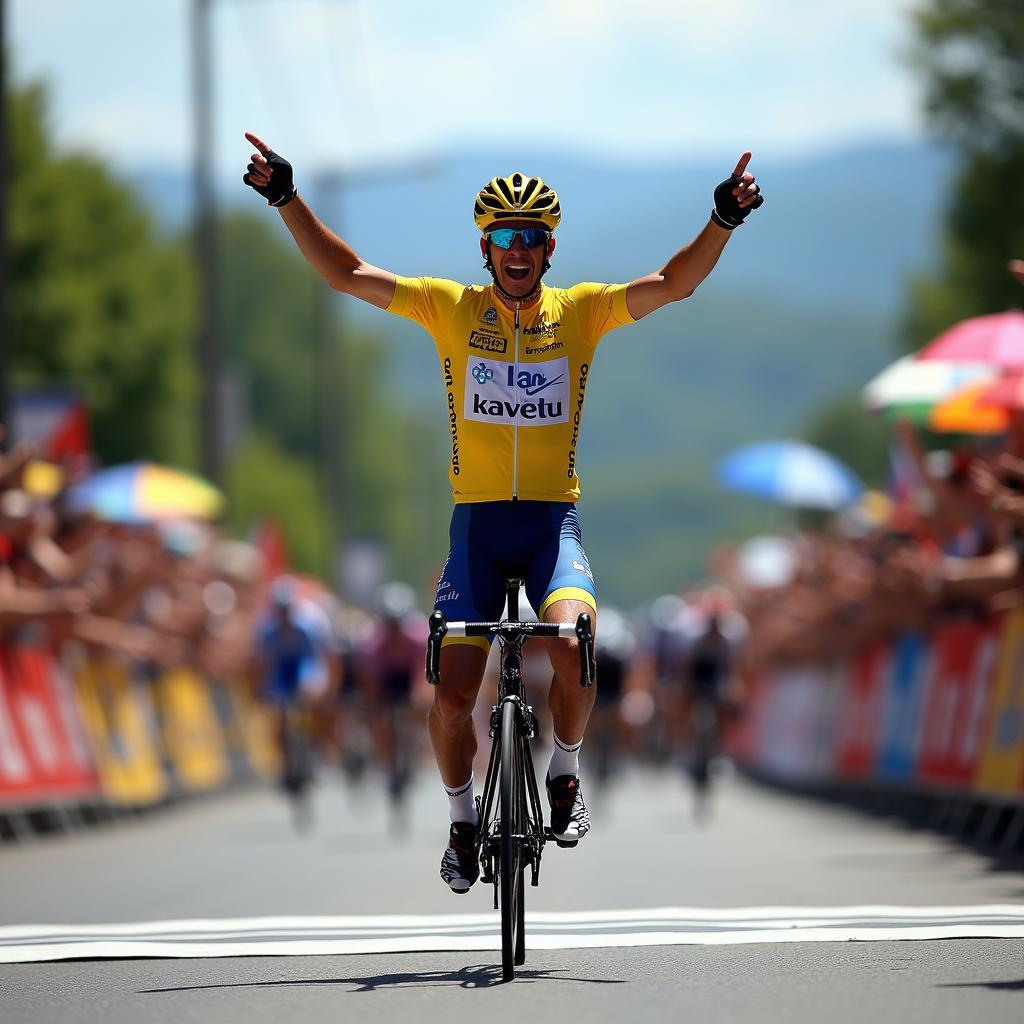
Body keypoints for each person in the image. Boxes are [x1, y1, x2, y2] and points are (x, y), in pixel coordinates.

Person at [242, 133, 763, 892]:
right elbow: (347, 274)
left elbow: (672, 283)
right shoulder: (450, 309)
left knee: (576, 638)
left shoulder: (580, 313)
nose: (517, 249)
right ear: (484, 247)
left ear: (550, 248)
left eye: (531, 237)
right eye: (503, 237)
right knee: (453, 694)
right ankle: (460, 822)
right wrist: (288, 199)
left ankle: (565, 773)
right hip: (478, 530)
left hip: (552, 524)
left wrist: (721, 218)